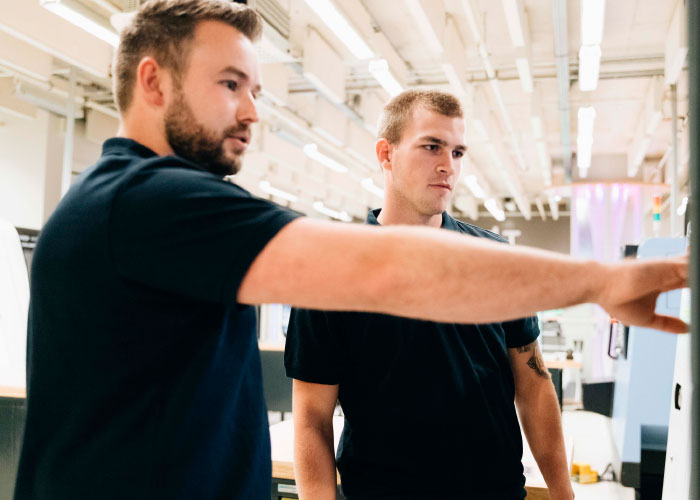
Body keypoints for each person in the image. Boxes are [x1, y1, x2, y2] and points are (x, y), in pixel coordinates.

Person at [14, 1, 686, 499]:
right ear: (154, 83)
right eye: (229, 85)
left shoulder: (129, 205)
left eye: (257, 90)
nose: (252, 112)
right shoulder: (147, 202)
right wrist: (600, 279)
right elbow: (389, 269)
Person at [285, 89, 572, 500]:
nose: (447, 166)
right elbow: (312, 418)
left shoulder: (495, 260)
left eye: (457, 152)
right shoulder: (329, 273)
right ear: (386, 154)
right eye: (431, 146)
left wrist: (564, 494)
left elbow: (534, 384)